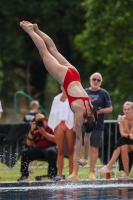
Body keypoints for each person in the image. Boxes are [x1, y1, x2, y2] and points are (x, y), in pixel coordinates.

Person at [20, 20, 98, 166]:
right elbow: (81, 138)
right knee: (44, 52)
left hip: (74, 74)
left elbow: (88, 136)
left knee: (53, 49)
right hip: (65, 78)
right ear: (85, 120)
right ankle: (30, 30)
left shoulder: (91, 110)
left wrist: (85, 157)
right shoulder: (81, 112)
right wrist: (77, 159)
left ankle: (37, 29)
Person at [67, 72, 112, 180]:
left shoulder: (104, 93)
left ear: (101, 82)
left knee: (94, 148)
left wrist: (98, 112)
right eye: (94, 79)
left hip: (97, 124)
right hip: (82, 124)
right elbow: (76, 109)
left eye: (98, 80)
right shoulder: (84, 91)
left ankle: (91, 172)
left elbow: (110, 108)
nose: (96, 81)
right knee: (78, 146)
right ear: (90, 79)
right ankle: (75, 173)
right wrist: (74, 123)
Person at [17, 113, 57, 182]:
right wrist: (31, 130)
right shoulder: (36, 132)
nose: (41, 123)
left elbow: (55, 140)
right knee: (25, 153)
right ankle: (24, 175)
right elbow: (29, 144)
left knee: (51, 151)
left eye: (42, 121)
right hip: (38, 149)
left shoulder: (51, 128)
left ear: (45, 121)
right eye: (39, 121)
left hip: (50, 148)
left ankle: (53, 174)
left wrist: (43, 132)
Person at [99, 101, 133, 180]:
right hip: (128, 142)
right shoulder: (121, 118)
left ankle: (109, 165)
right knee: (123, 146)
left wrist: (125, 124)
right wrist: (122, 123)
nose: (126, 111)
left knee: (122, 141)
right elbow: (123, 133)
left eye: (128, 109)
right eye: (125, 109)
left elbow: (130, 134)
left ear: (132, 110)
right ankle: (126, 174)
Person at [48, 85, 75, 181]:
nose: (65, 88)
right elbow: (54, 112)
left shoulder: (73, 97)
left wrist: (75, 124)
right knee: (60, 150)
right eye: (64, 86)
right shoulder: (56, 98)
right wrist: (57, 124)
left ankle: (71, 173)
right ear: (61, 87)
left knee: (71, 150)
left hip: (70, 124)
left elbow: (75, 111)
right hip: (59, 124)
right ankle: (59, 174)